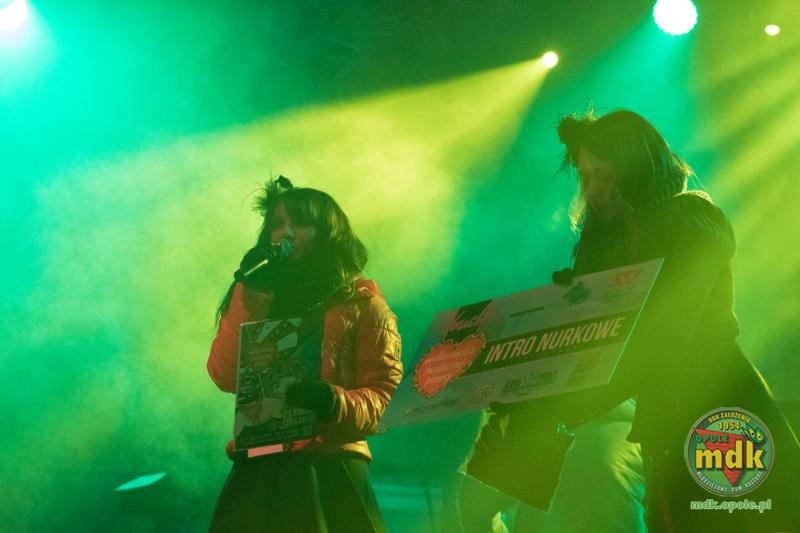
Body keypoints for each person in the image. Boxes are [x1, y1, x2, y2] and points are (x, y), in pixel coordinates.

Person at [465, 109, 800, 532]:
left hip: (718, 411)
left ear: (638, 171)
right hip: (668, 418)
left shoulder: (691, 225)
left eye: (605, 176)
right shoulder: (615, 235)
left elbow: (658, 346)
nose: (593, 190)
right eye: (585, 177)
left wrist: (556, 406)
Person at [207, 176, 403, 533]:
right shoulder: (256, 295)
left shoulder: (364, 305)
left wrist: (333, 402)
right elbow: (223, 374)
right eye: (277, 224)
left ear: (328, 233)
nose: (285, 232)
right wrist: (248, 299)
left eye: (299, 223)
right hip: (259, 464)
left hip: (328, 467)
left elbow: (384, 395)